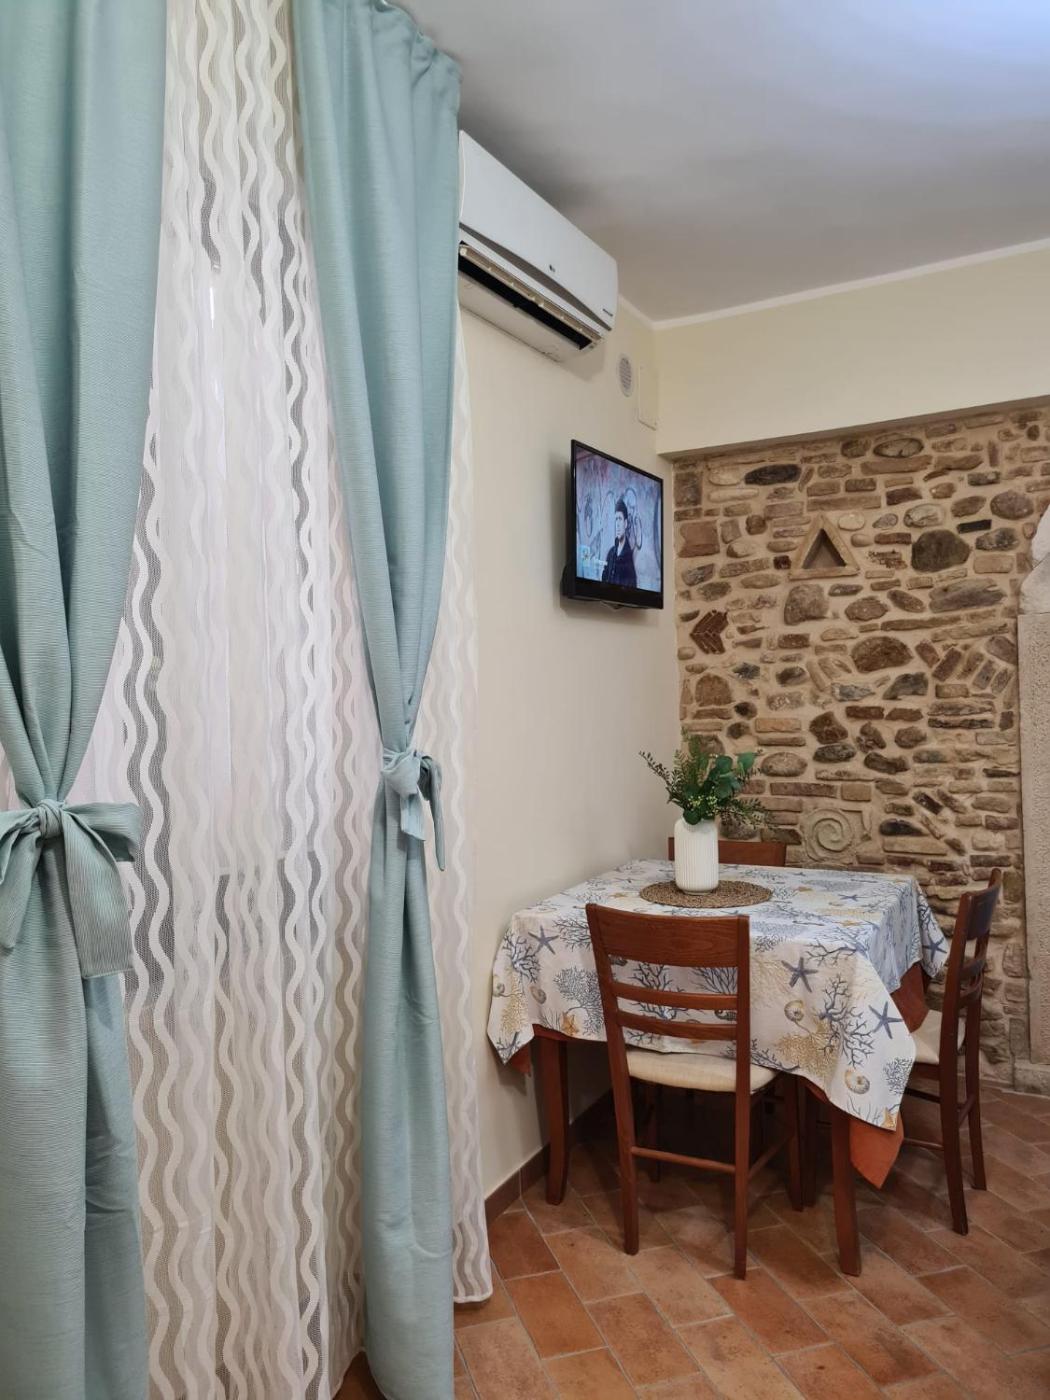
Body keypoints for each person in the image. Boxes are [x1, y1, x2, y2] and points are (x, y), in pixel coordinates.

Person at [605, 497, 636, 588]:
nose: (617, 524)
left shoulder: (629, 557)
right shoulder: (611, 553)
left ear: (625, 523)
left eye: (620, 519)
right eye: (616, 519)